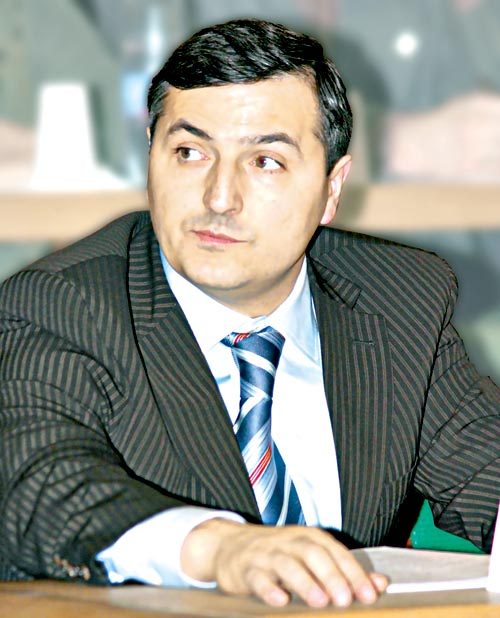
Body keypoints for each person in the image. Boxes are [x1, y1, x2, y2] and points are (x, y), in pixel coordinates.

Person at [0, 19, 499, 610]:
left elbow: (486, 474)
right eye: (189, 153)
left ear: (332, 188)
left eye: (265, 161)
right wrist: (221, 549)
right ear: (151, 156)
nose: (219, 197)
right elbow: (37, 485)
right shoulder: (61, 303)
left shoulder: (397, 298)